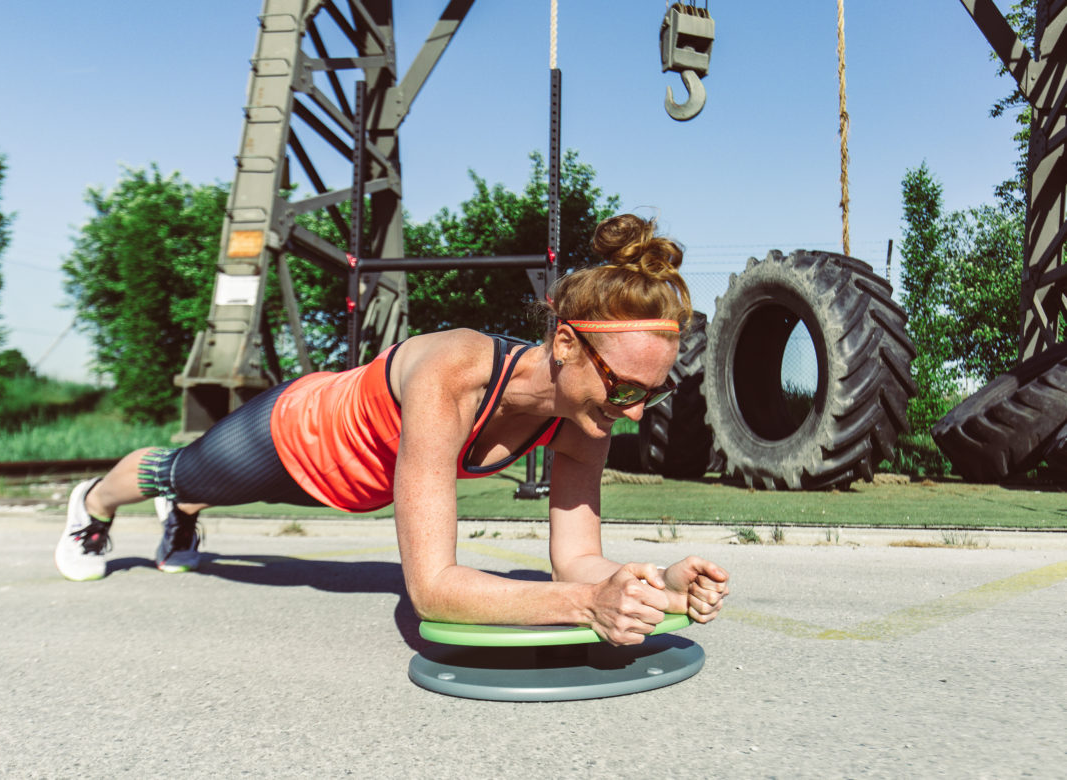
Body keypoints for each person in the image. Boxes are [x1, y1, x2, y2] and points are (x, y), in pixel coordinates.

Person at [55, 213, 730, 646]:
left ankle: (188, 512)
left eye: (652, 391)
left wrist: (653, 588)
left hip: (360, 486)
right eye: (621, 387)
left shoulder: (585, 413)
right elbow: (433, 588)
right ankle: (93, 503)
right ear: (562, 343)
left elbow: (577, 561)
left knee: (203, 492)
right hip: (295, 437)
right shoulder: (453, 370)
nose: (635, 412)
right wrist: (586, 607)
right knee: (178, 472)